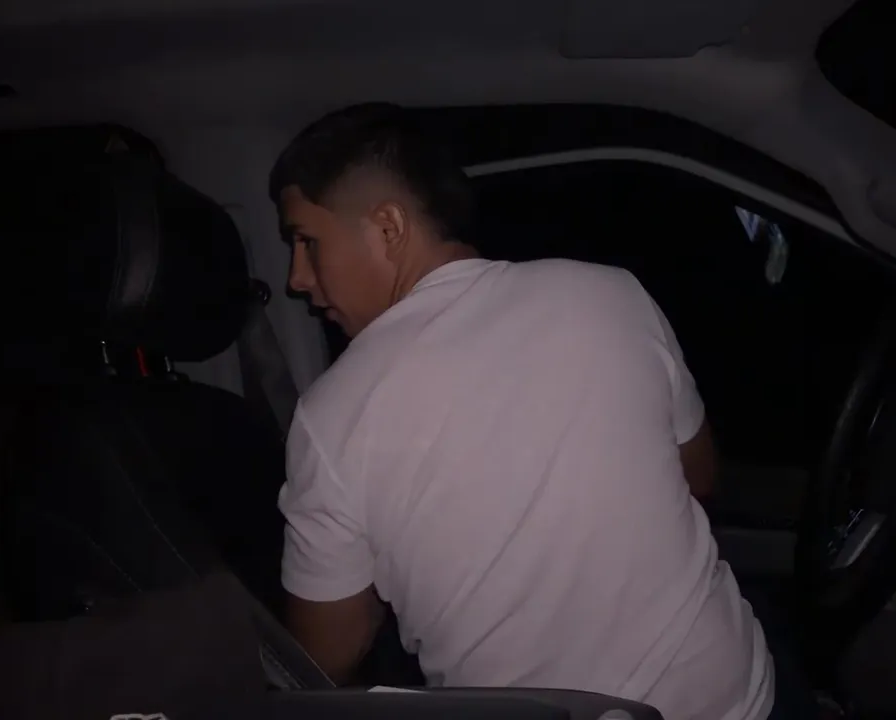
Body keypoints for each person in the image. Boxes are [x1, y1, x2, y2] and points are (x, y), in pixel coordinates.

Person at [271, 103, 776, 720]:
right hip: (745, 698)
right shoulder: (610, 293)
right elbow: (699, 477)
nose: (297, 278)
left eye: (307, 241)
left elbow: (323, 659)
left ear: (389, 227)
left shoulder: (331, 416)